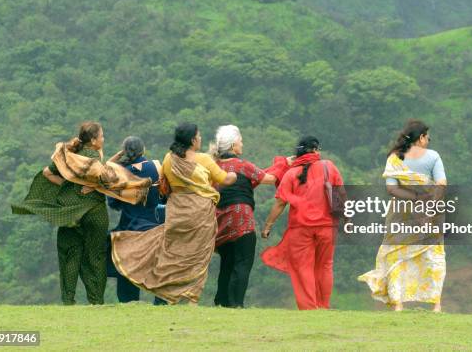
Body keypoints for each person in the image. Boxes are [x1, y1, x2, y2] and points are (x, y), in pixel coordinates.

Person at [111, 123, 237, 304]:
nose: (200, 139)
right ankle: (190, 297)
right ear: (193, 140)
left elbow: (164, 185)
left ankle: (162, 299)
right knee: (196, 257)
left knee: (170, 255)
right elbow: (224, 178)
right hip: (199, 215)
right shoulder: (203, 159)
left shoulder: (169, 159)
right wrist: (234, 173)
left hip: (176, 213)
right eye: (199, 136)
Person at [12, 121, 109, 305]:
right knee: (95, 256)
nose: (104, 139)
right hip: (94, 212)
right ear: (94, 140)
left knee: (69, 255)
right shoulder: (94, 159)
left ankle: (68, 299)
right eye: (102, 136)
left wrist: (68, 186)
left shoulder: (68, 156)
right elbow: (108, 182)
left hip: (69, 213)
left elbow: (47, 173)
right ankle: (96, 301)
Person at [358, 119, 447, 312]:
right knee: (432, 256)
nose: (429, 140)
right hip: (429, 212)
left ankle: (398, 304)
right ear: (421, 138)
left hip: (400, 213)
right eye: (427, 136)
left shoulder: (395, 158)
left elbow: (391, 189)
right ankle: (436, 305)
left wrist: (414, 197)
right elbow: (441, 183)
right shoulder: (433, 156)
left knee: (396, 256)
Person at [261, 136, 343, 310]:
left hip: (301, 228)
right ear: (315, 150)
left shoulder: (291, 173)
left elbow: (280, 203)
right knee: (325, 266)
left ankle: (309, 308)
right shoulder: (329, 167)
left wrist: (268, 225)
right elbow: (340, 195)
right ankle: (323, 305)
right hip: (327, 227)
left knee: (303, 267)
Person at [210, 125, 277, 308]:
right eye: (240, 141)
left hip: (221, 221)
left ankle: (221, 301)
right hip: (242, 221)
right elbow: (268, 178)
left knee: (227, 263)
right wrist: (283, 167)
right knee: (243, 263)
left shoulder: (214, 167)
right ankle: (236, 303)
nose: (242, 144)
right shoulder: (242, 165)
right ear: (233, 145)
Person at [106, 136, 166, 304]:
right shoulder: (156, 167)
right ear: (143, 150)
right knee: (159, 267)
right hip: (155, 225)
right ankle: (161, 303)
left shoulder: (120, 173)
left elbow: (113, 203)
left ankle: (128, 303)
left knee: (125, 268)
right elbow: (165, 195)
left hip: (129, 227)